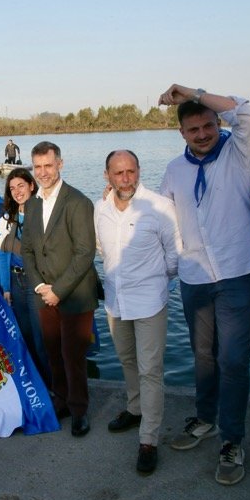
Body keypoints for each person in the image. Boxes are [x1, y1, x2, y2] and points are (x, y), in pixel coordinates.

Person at [158, 84, 250, 486]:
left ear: (218, 124)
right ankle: (205, 418)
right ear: (182, 133)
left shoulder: (237, 154)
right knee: (203, 354)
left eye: (207, 126)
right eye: (193, 129)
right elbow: (163, 219)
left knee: (233, 360)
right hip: (194, 277)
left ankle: (232, 439)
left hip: (239, 273)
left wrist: (192, 92)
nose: (202, 134)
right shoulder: (174, 170)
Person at [95, 150, 181, 474]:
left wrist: (157, 281)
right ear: (108, 176)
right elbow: (103, 250)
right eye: (118, 173)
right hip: (116, 303)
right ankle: (135, 409)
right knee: (127, 361)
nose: (126, 179)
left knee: (150, 370)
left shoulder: (159, 207)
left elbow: (175, 256)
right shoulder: (100, 209)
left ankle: (149, 440)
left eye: (131, 171)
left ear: (139, 171)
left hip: (149, 303)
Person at [22, 141, 99, 437]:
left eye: (48, 166)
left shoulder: (78, 202)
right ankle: (62, 400)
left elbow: (84, 253)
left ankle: (80, 410)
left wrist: (59, 290)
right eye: (37, 167)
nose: (43, 172)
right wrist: (40, 286)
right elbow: (27, 250)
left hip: (76, 294)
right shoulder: (33, 203)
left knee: (73, 355)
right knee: (53, 352)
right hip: (44, 294)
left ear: (60, 165)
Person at [0, 168, 50, 386]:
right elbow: (5, 257)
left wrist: (2, 242)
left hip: (37, 282)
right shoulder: (8, 217)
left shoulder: (44, 211)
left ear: (32, 185)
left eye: (21, 186)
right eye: (12, 188)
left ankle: (52, 387)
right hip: (16, 282)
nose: (17, 192)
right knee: (26, 338)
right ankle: (37, 385)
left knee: (42, 338)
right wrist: (6, 287)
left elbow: (36, 250)